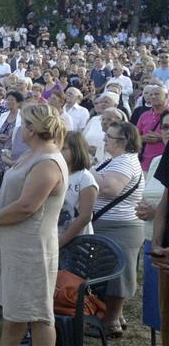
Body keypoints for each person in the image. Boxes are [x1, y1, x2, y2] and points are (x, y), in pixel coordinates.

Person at [0, 104, 68, 346]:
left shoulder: (48, 162)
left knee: (37, 315)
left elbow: (27, 206)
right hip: (16, 246)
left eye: (23, 123)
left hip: (32, 250)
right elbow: (11, 194)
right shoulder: (31, 155)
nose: (19, 128)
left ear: (33, 128)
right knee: (15, 313)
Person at [90, 121, 145, 337]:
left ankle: (111, 322)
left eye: (109, 137)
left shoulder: (123, 163)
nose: (105, 140)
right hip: (113, 226)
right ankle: (115, 316)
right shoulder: (119, 160)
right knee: (112, 272)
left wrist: (84, 167)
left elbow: (109, 189)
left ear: (123, 141)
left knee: (117, 276)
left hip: (119, 227)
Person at [135, 112, 169, 338]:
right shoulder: (162, 158)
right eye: (165, 127)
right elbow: (166, 200)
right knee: (163, 316)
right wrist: (156, 246)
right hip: (162, 251)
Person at [57, 131, 98, 247]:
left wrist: (60, 243)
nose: (59, 152)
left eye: (64, 148)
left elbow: (85, 216)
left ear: (77, 150)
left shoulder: (85, 178)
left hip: (77, 241)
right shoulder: (57, 173)